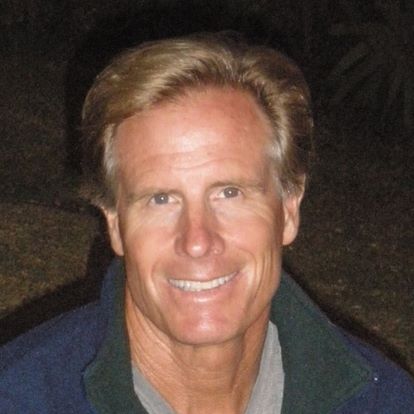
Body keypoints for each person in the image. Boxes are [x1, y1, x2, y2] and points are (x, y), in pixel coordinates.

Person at [0, 32, 413, 414]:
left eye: (229, 193)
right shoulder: (22, 396)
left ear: (288, 209)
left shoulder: (382, 402)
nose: (197, 240)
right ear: (114, 223)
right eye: (161, 199)